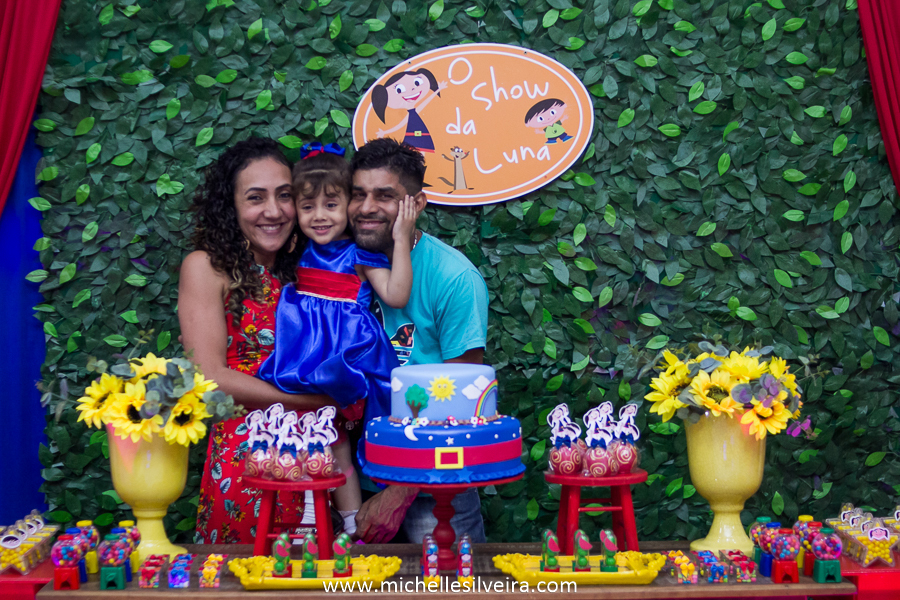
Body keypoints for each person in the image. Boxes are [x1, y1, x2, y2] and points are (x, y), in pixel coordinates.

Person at [256, 143, 417, 535]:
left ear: (348, 206)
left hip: (342, 357)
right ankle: (310, 514)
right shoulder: (296, 250)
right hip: (301, 354)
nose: (320, 216)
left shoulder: (357, 254)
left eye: (331, 205)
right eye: (308, 207)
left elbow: (396, 295)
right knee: (308, 432)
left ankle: (349, 524)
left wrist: (401, 239)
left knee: (337, 439)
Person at [178, 137, 333, 544]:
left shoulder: (305, 266)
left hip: (315, 455)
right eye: (255, 197)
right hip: (246, 462)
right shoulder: (207, 268)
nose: (273, 210)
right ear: (230, 206)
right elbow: (209, 376)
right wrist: (313, 404)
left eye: (284, 196)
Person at [348, 138, 490, 544]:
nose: (367, 207)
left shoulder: (454, 278)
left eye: (385, 196)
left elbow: (462, 397)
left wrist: (400, 491)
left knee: (449, 587)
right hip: (349, 476)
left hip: (429, 484)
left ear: (417, 203)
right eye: (358, 194)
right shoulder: (339, 258)